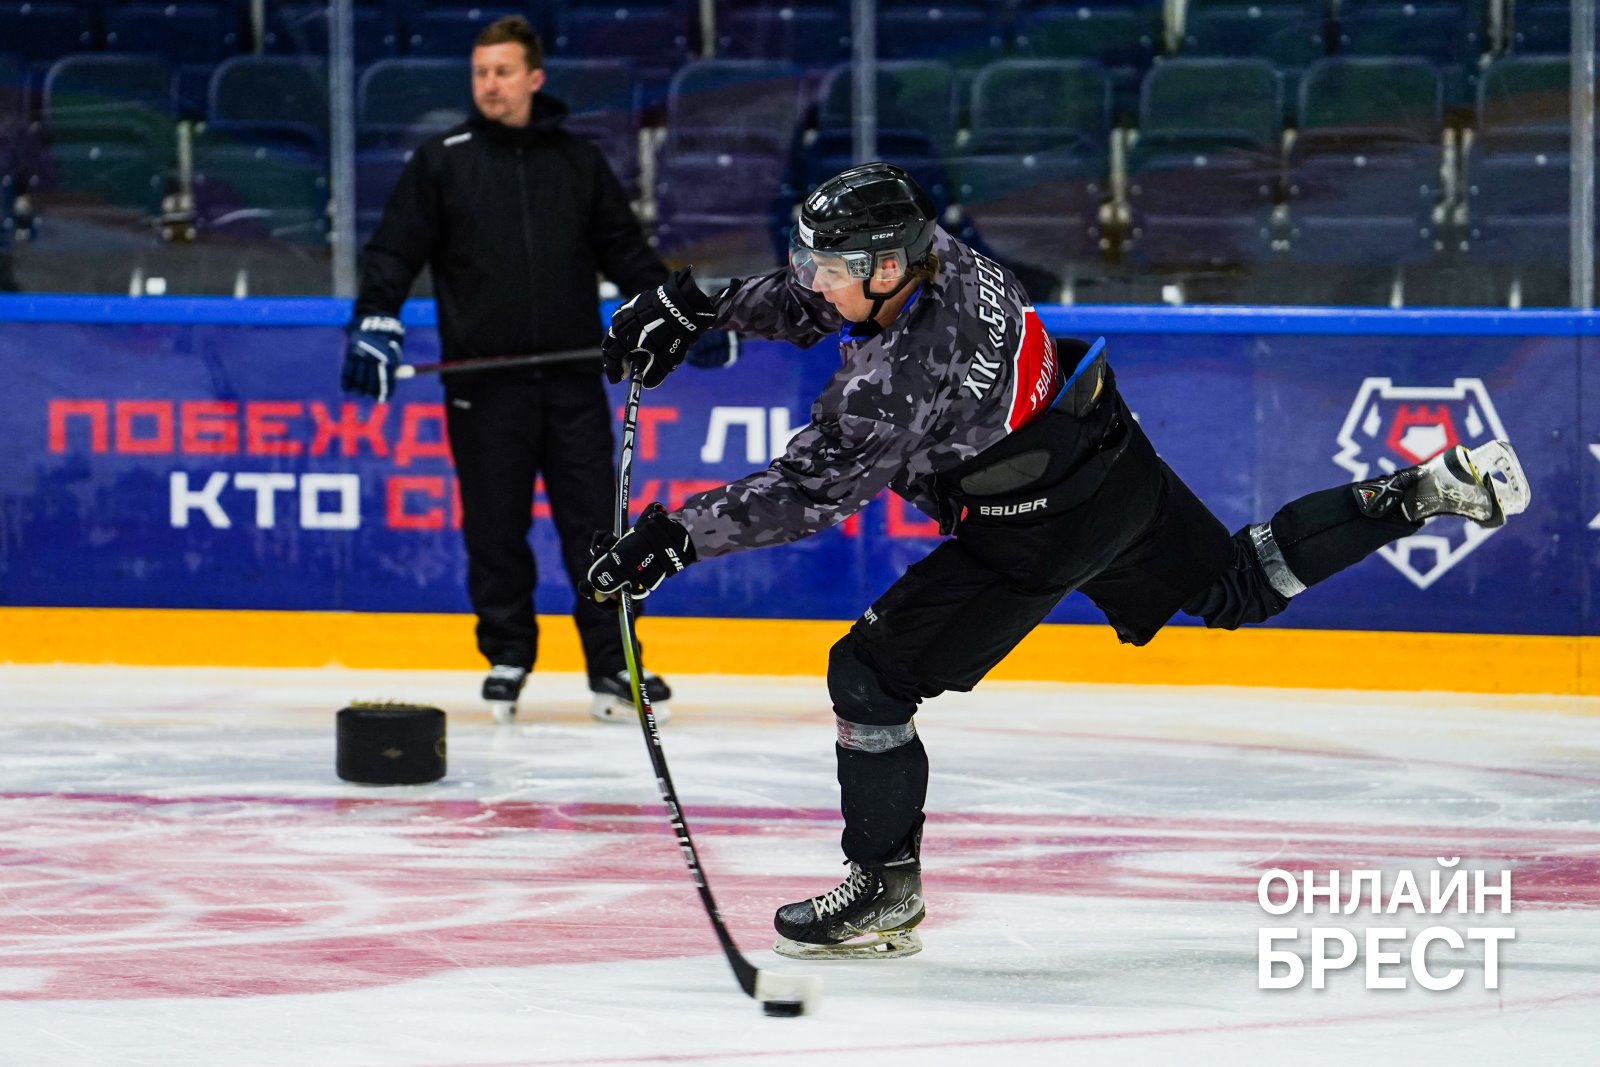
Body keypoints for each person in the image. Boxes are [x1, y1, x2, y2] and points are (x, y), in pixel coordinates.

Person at [585, 162, 1531, 959]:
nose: (814, 277)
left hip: (1032, 526)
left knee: (867, 676)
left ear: (883, 268)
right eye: (813, 258)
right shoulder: (943, 258)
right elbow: (809, 301)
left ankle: (883, 892)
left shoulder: (902, 376)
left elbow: (808, 493)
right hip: (1106, 458)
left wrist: (674, 537)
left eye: (830, 265)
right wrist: (701, 305)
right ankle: (1417, 494)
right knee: (1237, 585)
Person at [340, 15, 730, 724]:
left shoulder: (576, 163)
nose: (490, 85)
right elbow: (393, 252)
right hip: (482, 388)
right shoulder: (442, 161)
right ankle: (508, 653)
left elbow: (628, 256)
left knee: (596, 526)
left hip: (574, 383)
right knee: (494, 527)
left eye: (503, 71)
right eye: (480, 72)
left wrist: (686, 316)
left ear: (534, 78)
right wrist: (374, 316)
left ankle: (614, 662)